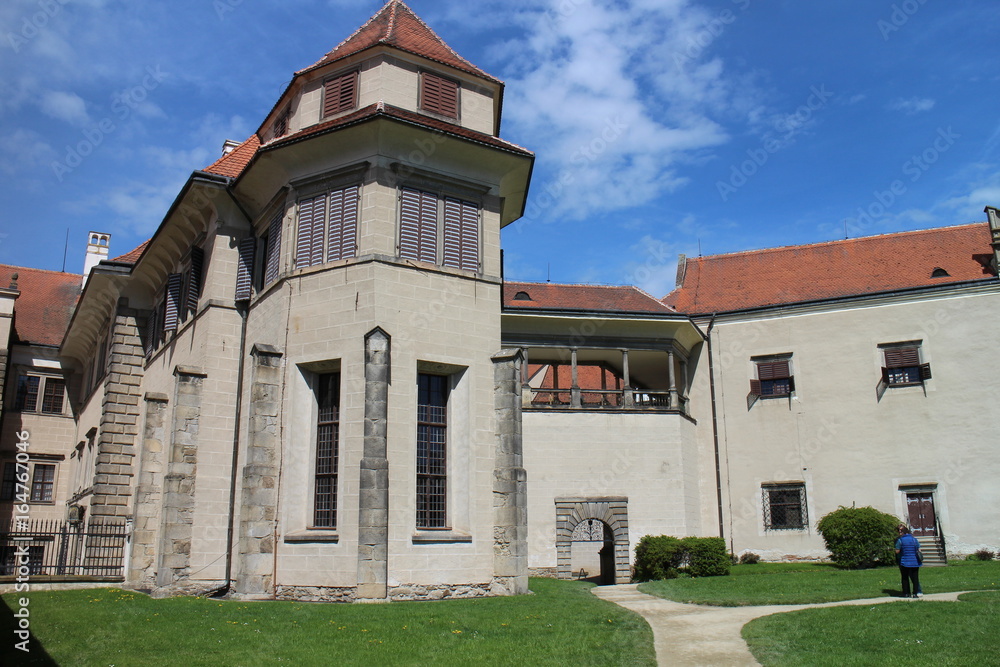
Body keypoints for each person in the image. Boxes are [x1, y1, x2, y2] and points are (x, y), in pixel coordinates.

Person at [895, 524, 922, 598]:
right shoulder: (914, 540)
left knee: (905, 578)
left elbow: (897, 551)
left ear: (902, 533)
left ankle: (906, 593)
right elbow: (919, 549)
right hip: (915, 561)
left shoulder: (900, 540)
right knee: (915, 578)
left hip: (905, 561)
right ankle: (916, 593)